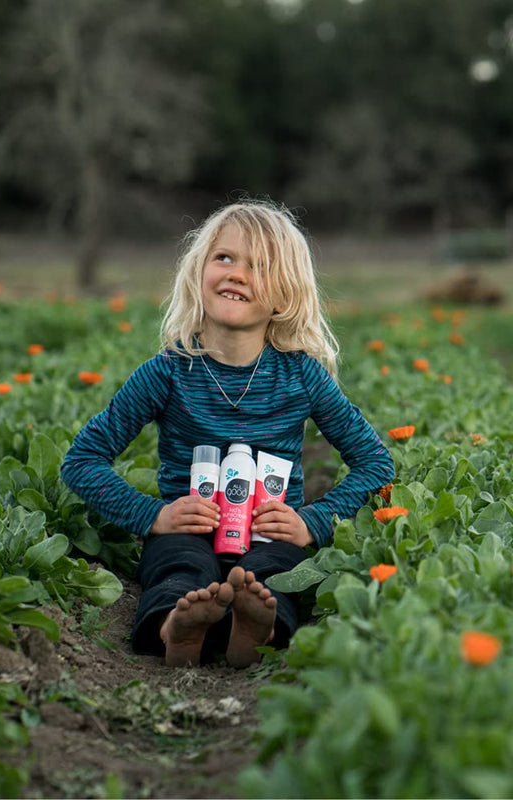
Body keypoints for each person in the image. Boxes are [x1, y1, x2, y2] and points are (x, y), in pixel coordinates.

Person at [60, 200, 395, 668]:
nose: (237, 273)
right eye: (225, 258)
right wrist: (153, 516)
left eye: (258, 266)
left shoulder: (302, 376)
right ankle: (176, 629)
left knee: (275, 571)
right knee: (178, 570)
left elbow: (376, 464)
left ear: (284, 296)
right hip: (190, 530)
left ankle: (254, 629)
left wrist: (310, 523)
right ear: (199, 273)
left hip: (267, 532)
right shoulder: (169, 372)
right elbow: (82, 459)